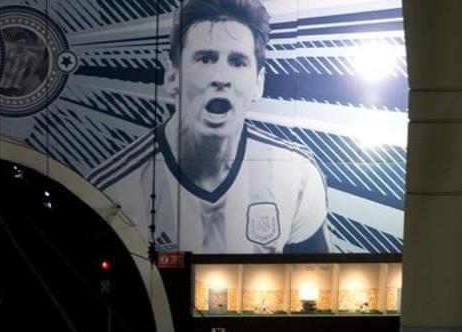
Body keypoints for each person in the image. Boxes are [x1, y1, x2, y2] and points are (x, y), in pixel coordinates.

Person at [91, 0, 330, 254]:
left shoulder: (297, 175)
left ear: (258, 83)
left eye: (238, 62)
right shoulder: (112, 191)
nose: (221, 78)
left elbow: (312, 279)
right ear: (172, 76)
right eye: (206, 58)